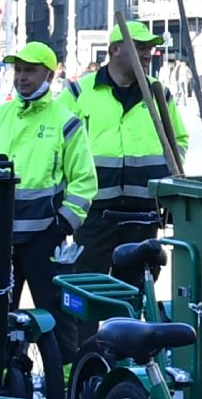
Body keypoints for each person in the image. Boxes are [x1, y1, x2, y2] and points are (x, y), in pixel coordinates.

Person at [59, 20, 188, 340]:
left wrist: (166, 178)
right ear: (115, 50)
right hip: (95, 208)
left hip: (144, 208)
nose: (148, 53)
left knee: (134, 288)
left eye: (149, 48)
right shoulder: (79, 91)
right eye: (139, 47)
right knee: (88, 286)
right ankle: (83, 357)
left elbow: (179, 140)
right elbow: (60, 144)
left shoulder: (159, 92)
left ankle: (122, 352)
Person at [0, 41, 97, 366]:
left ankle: (68, 392)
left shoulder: (66, 122)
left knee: (57, 319)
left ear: (49, 75)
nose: (22, 77)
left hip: (45, 239)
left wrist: (63, 225)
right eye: (19, 70)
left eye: (30, 70)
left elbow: (84, 181)